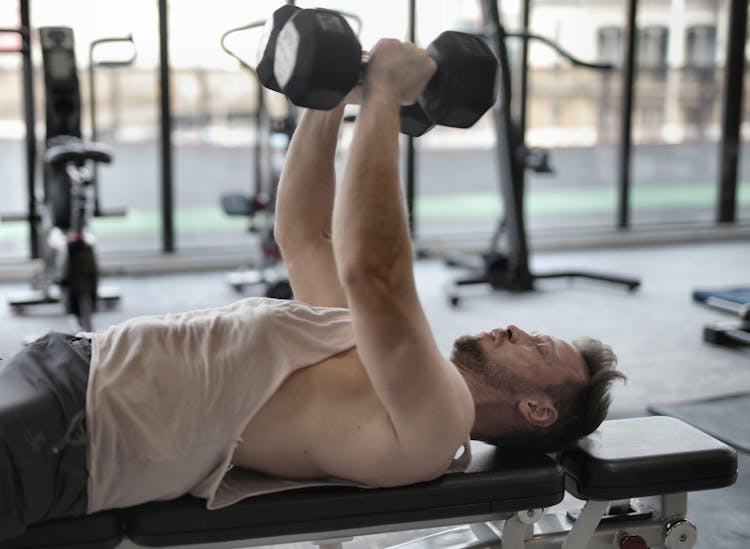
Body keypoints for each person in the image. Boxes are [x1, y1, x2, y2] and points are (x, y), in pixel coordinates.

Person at [0, 38, 625, 541]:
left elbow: (374, 271)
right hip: (66, 372)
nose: (518, 329)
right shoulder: (387, 369)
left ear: (537, 410)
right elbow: (304, 236)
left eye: (539, 347)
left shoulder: (439, 421)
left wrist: (383, 97)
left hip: (77, 430)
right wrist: (330, 99)